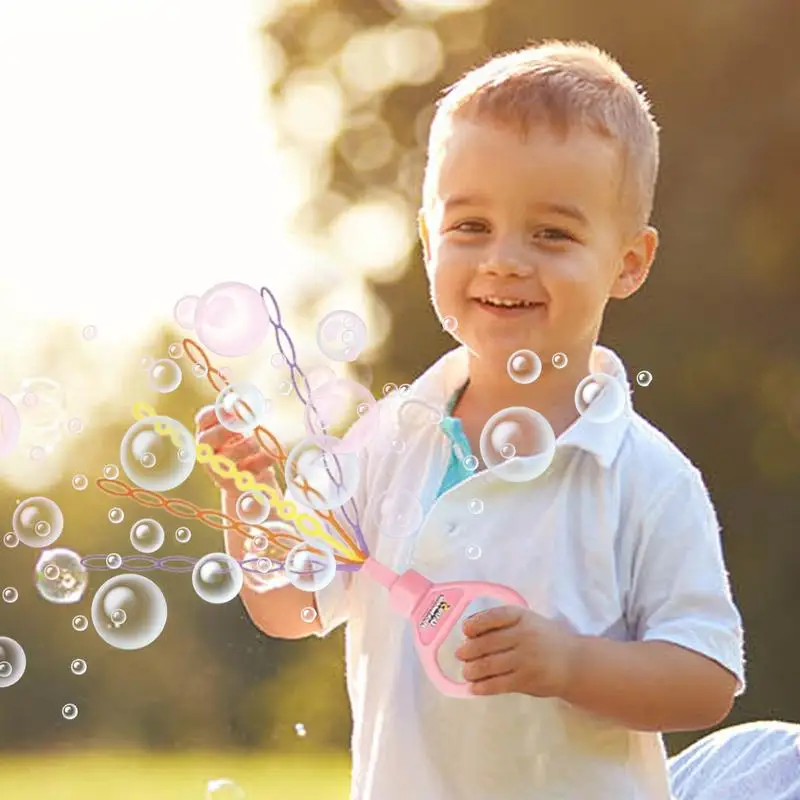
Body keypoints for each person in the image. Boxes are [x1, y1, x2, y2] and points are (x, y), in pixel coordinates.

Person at [196, 40, 746, 799]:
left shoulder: (643, 477)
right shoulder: (391, 442)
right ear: (428, 241)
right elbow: (290, 607)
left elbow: (705, 679)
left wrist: (571, 665)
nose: (504, 261)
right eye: (470, 227)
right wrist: (250, 502)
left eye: (551, 233)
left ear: (629, 261)